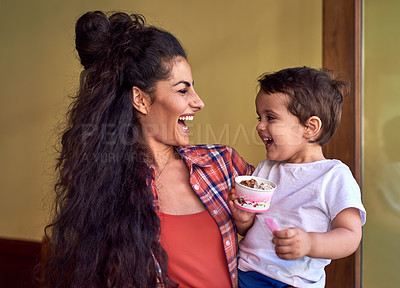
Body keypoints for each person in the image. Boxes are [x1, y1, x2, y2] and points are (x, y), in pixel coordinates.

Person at [41, 11, 253, 288]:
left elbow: (283, 222)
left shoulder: (223, 164)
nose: (198, 102)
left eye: (193, 89)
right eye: (182, 91)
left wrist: (247, 224)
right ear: (140, 99)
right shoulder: (110, 188)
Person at [228, 67, 366, 288]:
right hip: (248, 273)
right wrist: (243, 219)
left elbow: (350, 235)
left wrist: (310, 243)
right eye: (259, 117)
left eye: (270, 117)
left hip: (296, 282)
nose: (259, 126)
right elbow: (251, 228)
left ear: (310, 127)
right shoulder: (265, 170)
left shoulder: (334, 176)